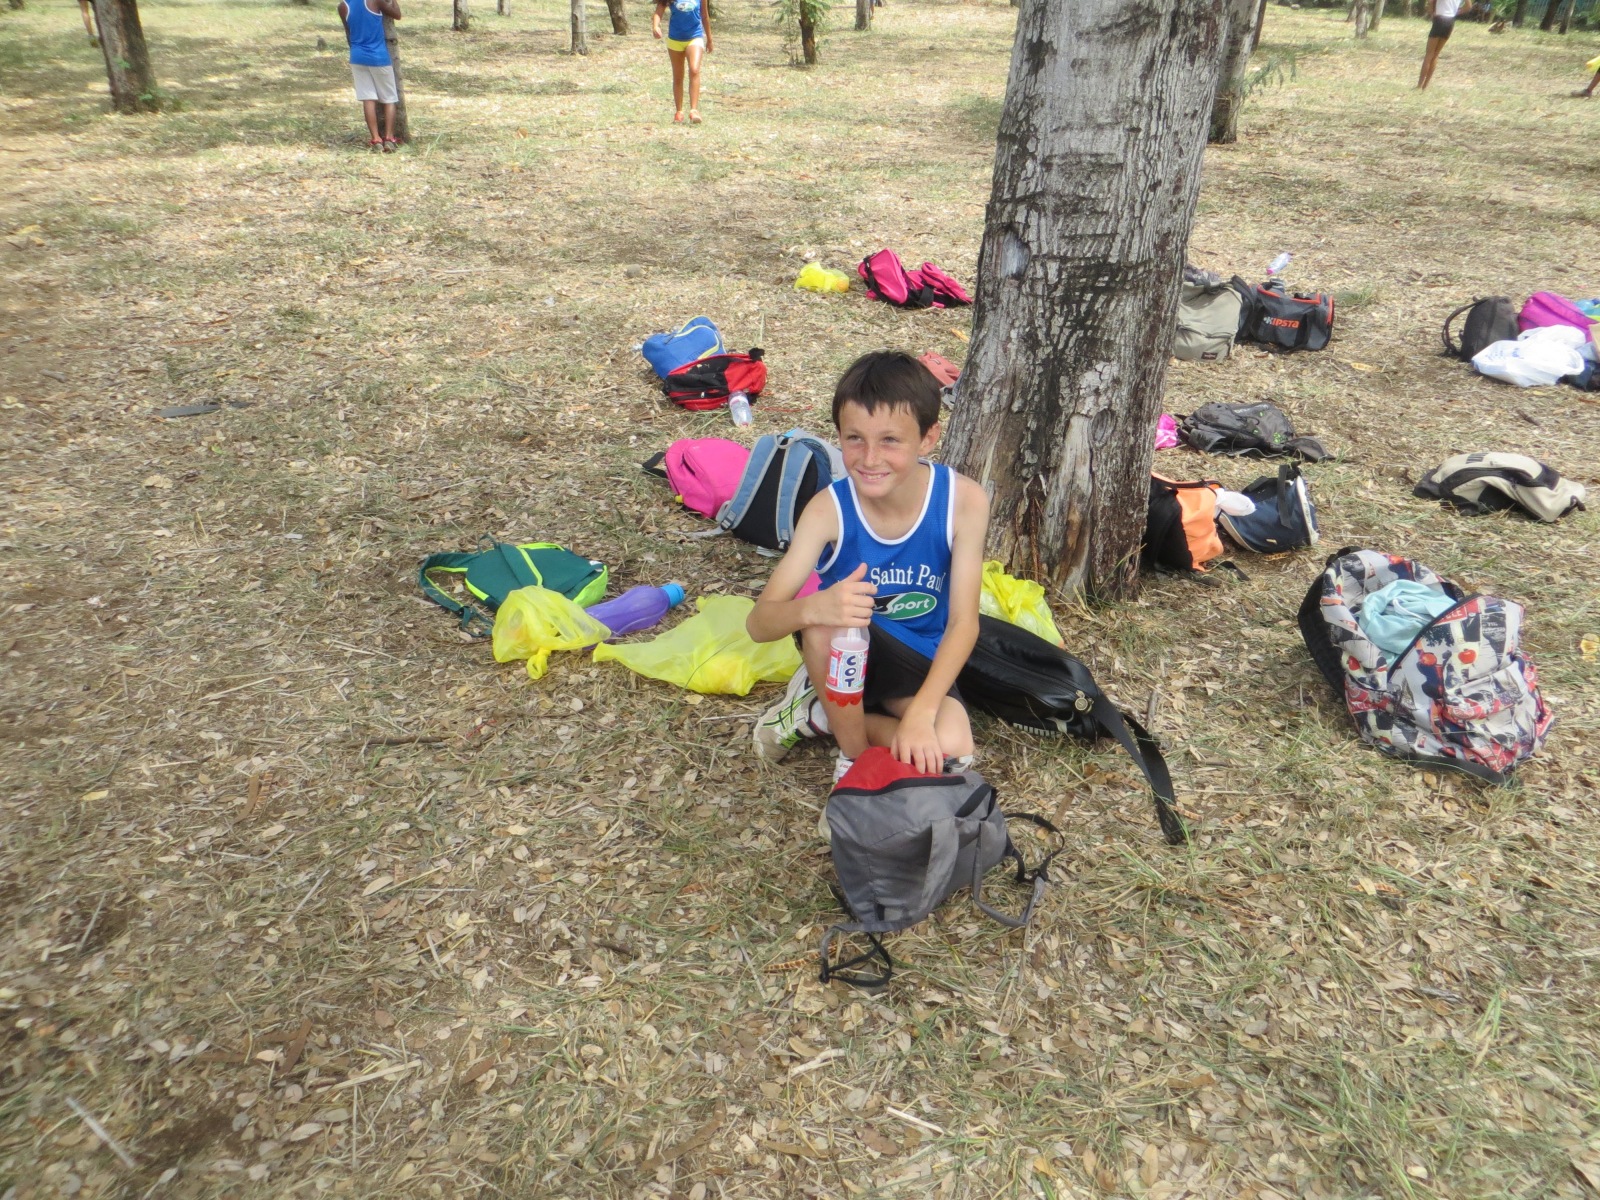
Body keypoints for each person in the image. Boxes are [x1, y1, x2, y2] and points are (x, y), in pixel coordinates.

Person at [746, 351, 990, 784]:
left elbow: (963, 624)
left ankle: (819, 713)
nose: (870, 458)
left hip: (918, 657)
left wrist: (921, 713)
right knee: (825, 623)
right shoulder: (828, 510)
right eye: (854, 438)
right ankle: (854, 754)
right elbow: (759, 625)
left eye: (890, 440)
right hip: (845, 652)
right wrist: (813, 608)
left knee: (952, 750)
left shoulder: (963, 501)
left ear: (928, 438)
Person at [339, 0, 403, 151]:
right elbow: (397, 15)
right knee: (389, 98)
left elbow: (349, 34)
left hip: (357, 57)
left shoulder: (343, 6)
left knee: (368, 99)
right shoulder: (375, 1)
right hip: (379, 57)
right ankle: (389, 138)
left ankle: (375, 139)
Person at [651, 0, 712, 125]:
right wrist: (655, 26)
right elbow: (658, 12)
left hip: (695, 37)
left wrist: (710, 39)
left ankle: (694, 110)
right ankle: (679, 112)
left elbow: (705, 16)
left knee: (694, 70)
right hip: (675, 39)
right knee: (678, 76)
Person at [1418, 0, 1469, 90]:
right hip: (1450, 21)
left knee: (1429, 54)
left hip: (1440, 19)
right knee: (1436, 54)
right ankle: (1425, 85)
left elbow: (1430, 2)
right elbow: (1468, 6)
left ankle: (1419, 85)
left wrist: (1432, 13)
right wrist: (1455, 12)